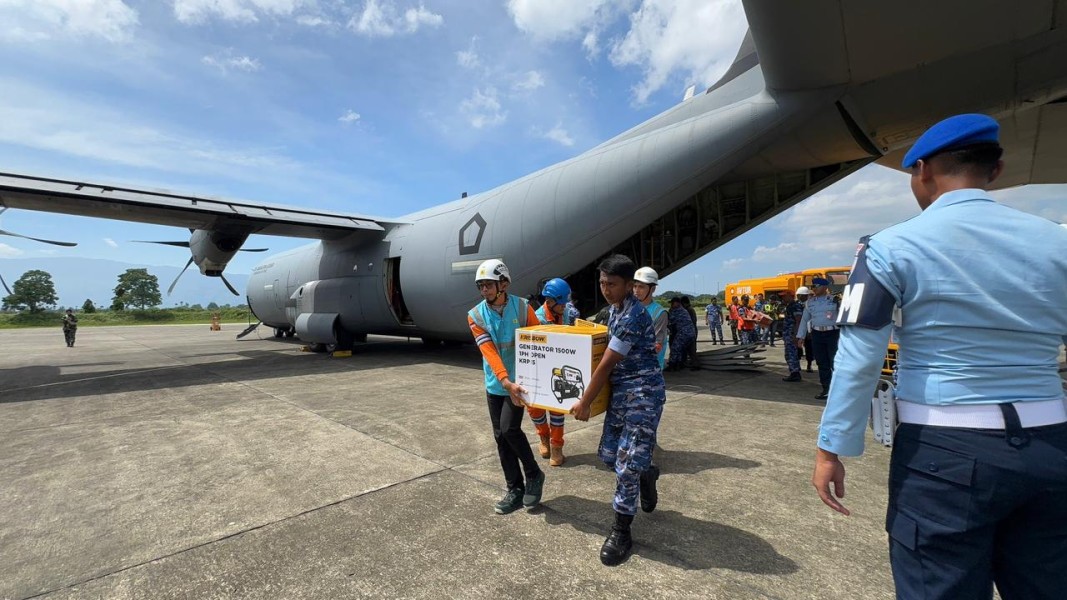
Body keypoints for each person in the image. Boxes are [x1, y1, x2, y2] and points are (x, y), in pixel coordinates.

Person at [811, 113, 1067, 600]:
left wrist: (831, 448)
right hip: (1052, 445)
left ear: (922, 170)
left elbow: (859, 359)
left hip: (945, 450)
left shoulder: (888, 247)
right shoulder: (1058, 241)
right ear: (996, 169)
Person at [571, 254, 666, 567]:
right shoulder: (613, 310)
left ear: (629, 286)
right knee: (610, 457)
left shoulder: (633, 317)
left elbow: (606, 363)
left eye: (612, 284)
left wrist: (585, 401)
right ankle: (647, 473)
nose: (605, 289)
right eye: (602, 283)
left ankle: (621, 531)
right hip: (621, 394)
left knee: (625, 466)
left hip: (644, 394)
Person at [467, 259, 546, 515]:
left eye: (488, 285)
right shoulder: (476, 315)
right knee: (500, 437)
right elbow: (488, 351)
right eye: (481, 286)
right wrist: (503, 380)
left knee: (510, 429)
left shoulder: (523, 308)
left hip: (521, 384)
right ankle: (515, 489)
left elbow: (540, 341)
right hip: (497, 384)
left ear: (503, 284)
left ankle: (534, 473)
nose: (484, 290)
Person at [528, 277, 576, 467]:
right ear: (549, 301)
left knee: (557, 409)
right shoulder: (536, 318)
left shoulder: (567, 314)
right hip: (538, 369)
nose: (565, 308)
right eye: (562, 304)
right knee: (534, 408)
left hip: (558, 369)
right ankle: (543, 438)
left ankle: (557, 447)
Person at [795, 278, 838, 399]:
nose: (814, 288)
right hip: (817, 334)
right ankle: (826, 389)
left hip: (833, 333)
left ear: (825, 287)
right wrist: (800, 337)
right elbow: (804, 320)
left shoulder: (835, 300)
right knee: (822, 363)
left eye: (816, 286)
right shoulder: (810, 302)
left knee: (835, 362)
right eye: (812, 286)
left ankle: (838, 390)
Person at [633, 267, 669, 370]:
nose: (636, 290)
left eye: (641, 287)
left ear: (652, 289)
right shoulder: (628, 308)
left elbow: (656, 346)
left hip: (650, 371)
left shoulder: (660, 313)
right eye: (634, 286)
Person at [779, 289, 804, 382]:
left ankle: (795, 373)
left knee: (791, 354)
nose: (783, 298)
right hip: (789, 334)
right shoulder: (789, 306)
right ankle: (794, 372)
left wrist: (796, 334)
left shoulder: (795, 306)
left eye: (784, 296)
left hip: (792, 334)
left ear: (790, 295)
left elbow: (798, 320)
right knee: (790, 354)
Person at [666, 297, 695, 372]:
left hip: (684, 333)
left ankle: (672, 365)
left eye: (673, 303)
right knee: (679, 349)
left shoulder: (677, 311)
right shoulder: (683, 310)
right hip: (689, 333)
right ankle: (678, 365)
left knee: (675, 348)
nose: (671, 305)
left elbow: (669, 321)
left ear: (677, 303)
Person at [680, 296, 700, 369]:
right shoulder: (689, 309)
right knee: (687, 349)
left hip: (690, 332)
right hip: (691, 331)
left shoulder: (689, 310)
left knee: (691, 349)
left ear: (684, 303)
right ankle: (687, 363)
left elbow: (692, 321)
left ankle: (695, 364)